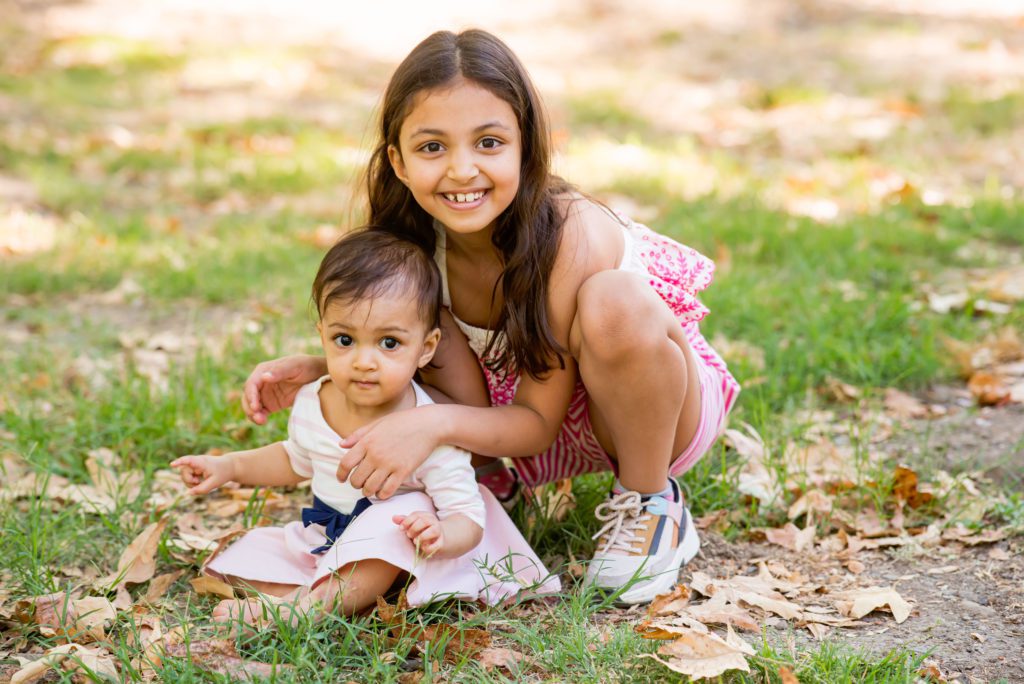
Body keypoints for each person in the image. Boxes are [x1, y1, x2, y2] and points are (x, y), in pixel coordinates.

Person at [242, 29, 739, 605]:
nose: (461, 170)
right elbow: (409, 353)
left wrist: (430, 425)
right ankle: (482, 480)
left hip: (646, 410)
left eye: (488, 143)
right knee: (417, 328)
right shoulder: (413, 247)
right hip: (509, 421)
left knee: (614, 303)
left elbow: (536, 424)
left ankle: (651, 502)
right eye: (432, 148)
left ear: (526, 146)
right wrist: (322, 365)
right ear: (398, 162)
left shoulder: (569, 234)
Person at [172, 230, 558, 628]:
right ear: (321, 334)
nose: (364, 362)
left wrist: (439, 533)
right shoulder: (313, 399)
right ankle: (328, 594)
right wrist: (230, 468)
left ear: (425, 348)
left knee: (393, 522)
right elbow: (294, 458)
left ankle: (305, 609)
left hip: (404, 551)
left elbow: (468, 519)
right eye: (345, 339)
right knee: (238, 561)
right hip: (329, 537)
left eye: (389, 343)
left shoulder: (424, 430)